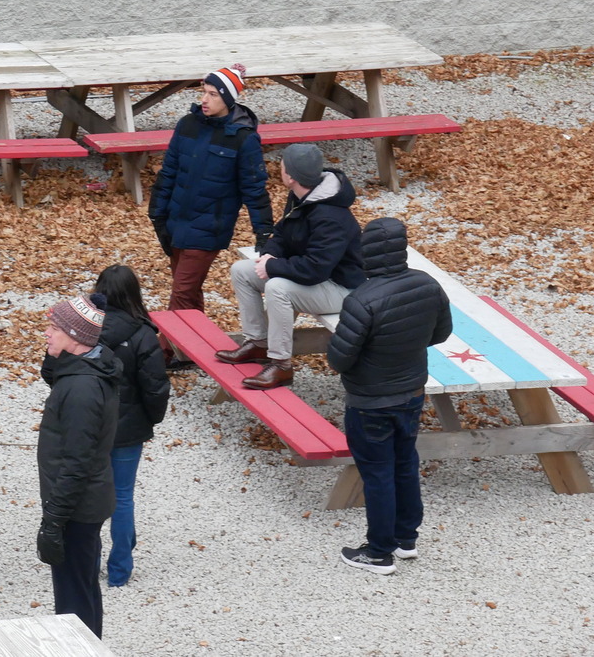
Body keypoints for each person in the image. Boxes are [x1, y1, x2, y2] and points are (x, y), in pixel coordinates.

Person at [327, 218, 452, 574]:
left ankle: (379, 551)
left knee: (378, 473)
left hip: (370, 402)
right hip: (411, 393)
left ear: (366, 252)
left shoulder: (361, 300)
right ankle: (406, 538)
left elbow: (338, 359)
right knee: (405, 463)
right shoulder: (427, 285)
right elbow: (441, 333)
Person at [147, 64, 273, 363]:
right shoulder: (187, 125)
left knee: (181, 290)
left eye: (213, 94)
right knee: (187, 290)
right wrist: (158, 213)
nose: (204, 99)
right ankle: (192, 347)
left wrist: (264, 232)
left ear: (228, 99)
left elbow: (254, 189)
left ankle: (163, 352)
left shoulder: (243, 139)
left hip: (209, 228)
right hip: (176, 222)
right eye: (203, 92)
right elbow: (169, 172)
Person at [216, 143, 365, 390]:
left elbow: (316, 269)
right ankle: (258, 342)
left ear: (292, 176)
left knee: (277, 288)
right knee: (241, 271)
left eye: (283, 166)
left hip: (341, 289)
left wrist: (274, 267)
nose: (280, 169)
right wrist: (269, 257)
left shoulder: (331, 216)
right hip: (314, 278)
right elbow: (284, 234)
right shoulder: (302, 197)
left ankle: (282, 365)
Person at [34, 293, 120, 639]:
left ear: (75, 337)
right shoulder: (86, 367)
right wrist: (58, 346)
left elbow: (76, 463)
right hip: (84, 504)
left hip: (77, 509)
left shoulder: (82, 390)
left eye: (53, 327)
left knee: (73, 603)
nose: (46, 332)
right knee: (82, 590)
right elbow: (52, 373)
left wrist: (53, 521)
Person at [92, 265, 168, 588]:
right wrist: (150, 419)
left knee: (91, 496)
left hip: (91, 425)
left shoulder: (86, 329)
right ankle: (120, 570)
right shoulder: (142, 334)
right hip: (128, 432)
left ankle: (87, 563)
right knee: (122, 497)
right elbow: (155, 387)